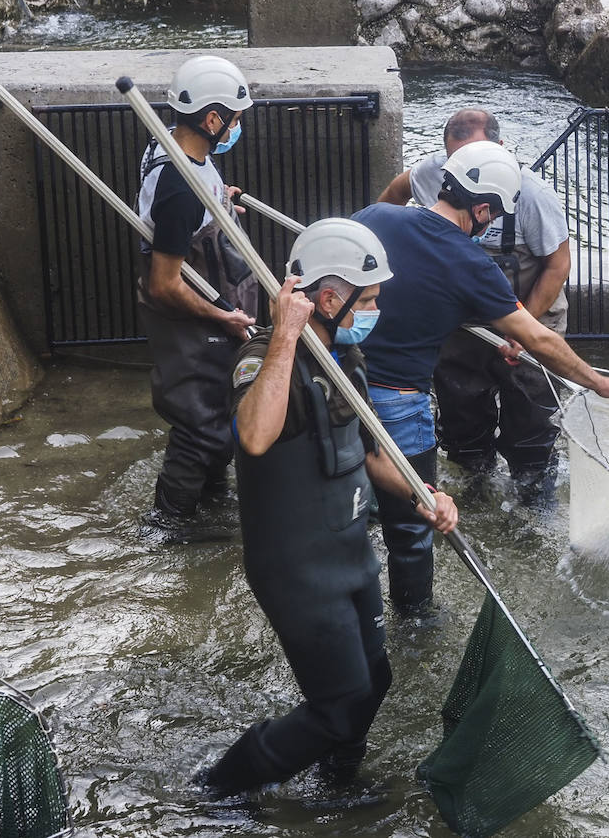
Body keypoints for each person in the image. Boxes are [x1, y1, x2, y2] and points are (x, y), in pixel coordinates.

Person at [201, 218, 458, 801]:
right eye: (366, 299)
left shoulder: (349, 357)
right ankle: (219, 793)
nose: (374, 309)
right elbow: (255, 437)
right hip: (297, 567)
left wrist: (425, 497)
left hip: (347, 551)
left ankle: (337, 780)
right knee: (337, 704)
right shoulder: (265, 359)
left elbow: (369, 454)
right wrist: (286, 337)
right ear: (327, 297)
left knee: (375, 681)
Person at [355, 140, 609, 616]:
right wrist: (597, 381)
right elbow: (539, 340)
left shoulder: (373, 218)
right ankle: (416, 620)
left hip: (338, 385)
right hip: (398, 407)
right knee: (412, 526)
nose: (490, 225)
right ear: (481, 209)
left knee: (345, 505)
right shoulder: (470, 265)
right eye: (491, 216)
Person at [379, 109, 571, 496]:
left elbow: (558, 265)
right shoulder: (434, 171)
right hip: (461, 318)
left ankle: (532, 494)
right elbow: (395, 196)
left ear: (499, 149)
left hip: (529, 309)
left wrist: (524, 330)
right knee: (461, 414)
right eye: (457, 161)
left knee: (531, 422)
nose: (468, 170)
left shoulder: (532, 194)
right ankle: (474, 482)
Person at [135, 55, 259, 532]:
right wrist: (219, 317)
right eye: (236, 117)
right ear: (212, 118)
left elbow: (186, 214)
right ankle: (168, 528)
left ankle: (212, 499)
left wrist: (219, 202)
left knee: (217, 407)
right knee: (200, 420)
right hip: (191, 318)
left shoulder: (175, 149)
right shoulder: (182, 190)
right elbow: (164, 284)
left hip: (209, 310)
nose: (238, 124)